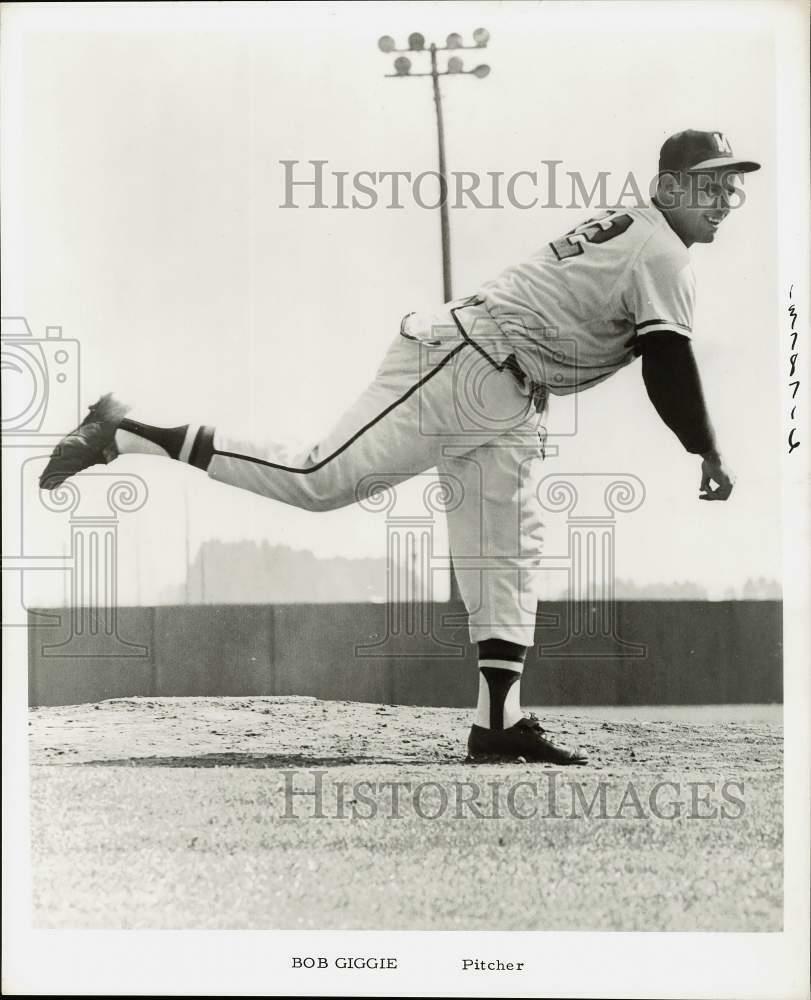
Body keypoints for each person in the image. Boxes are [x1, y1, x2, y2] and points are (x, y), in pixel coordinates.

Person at [40, 129, 760, 765]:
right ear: (667, 187)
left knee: (506, 558)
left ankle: (498, 722)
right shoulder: (662, 251)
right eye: (710, 184)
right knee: (321, 477)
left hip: (508, 392)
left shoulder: (641, 230)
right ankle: (128, 431)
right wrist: (705, 449)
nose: (724, 198)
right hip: (467, 359)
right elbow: (666, 360)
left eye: (731, 185)